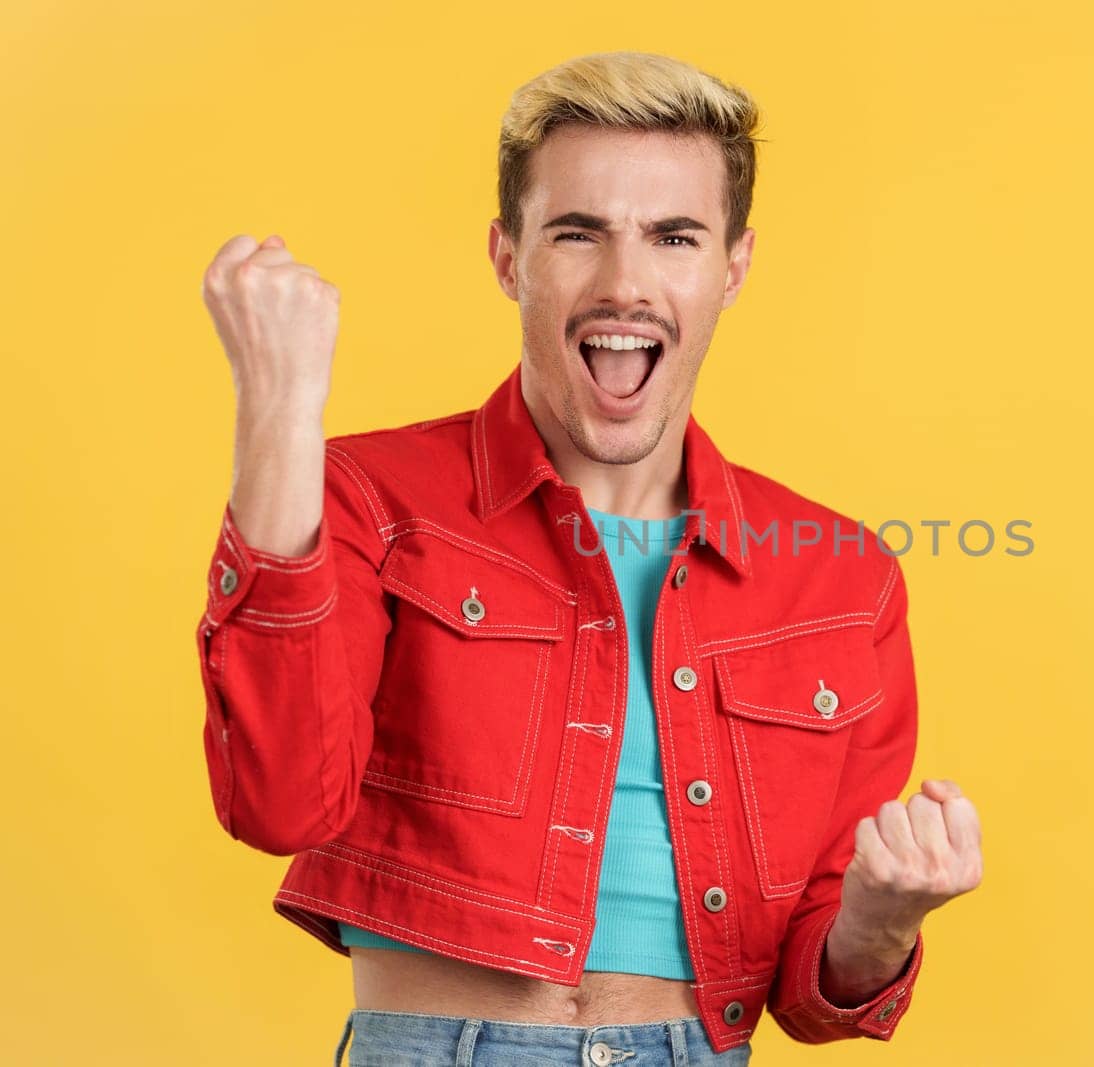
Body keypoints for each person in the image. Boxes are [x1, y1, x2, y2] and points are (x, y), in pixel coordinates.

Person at [195, 51, 982, 1065]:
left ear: (731, 267)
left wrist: (881, 916)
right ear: (508, 256)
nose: (625, 283)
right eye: (577, 232)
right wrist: (279, 409)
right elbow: (278, 801)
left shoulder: (842, 577)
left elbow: (812, 998)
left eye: (673, 237)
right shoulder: (366, 497)